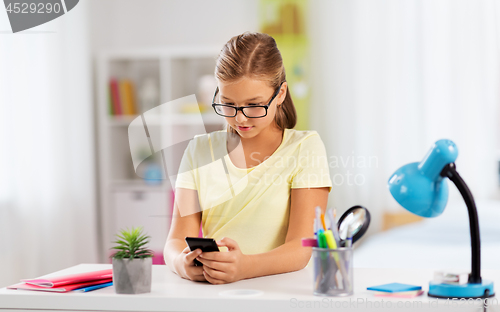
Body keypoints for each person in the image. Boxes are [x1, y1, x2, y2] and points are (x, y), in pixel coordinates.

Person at [163, 32, 332, 284]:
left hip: (279, 292)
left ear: (281, 93)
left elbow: (301, 247)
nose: (240, 118)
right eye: (228, 104)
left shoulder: (305, 148)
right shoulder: (199, 151)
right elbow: (176, 241)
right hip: (214, 293)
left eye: (254, 105)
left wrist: (245, 267)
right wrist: (181, 263)